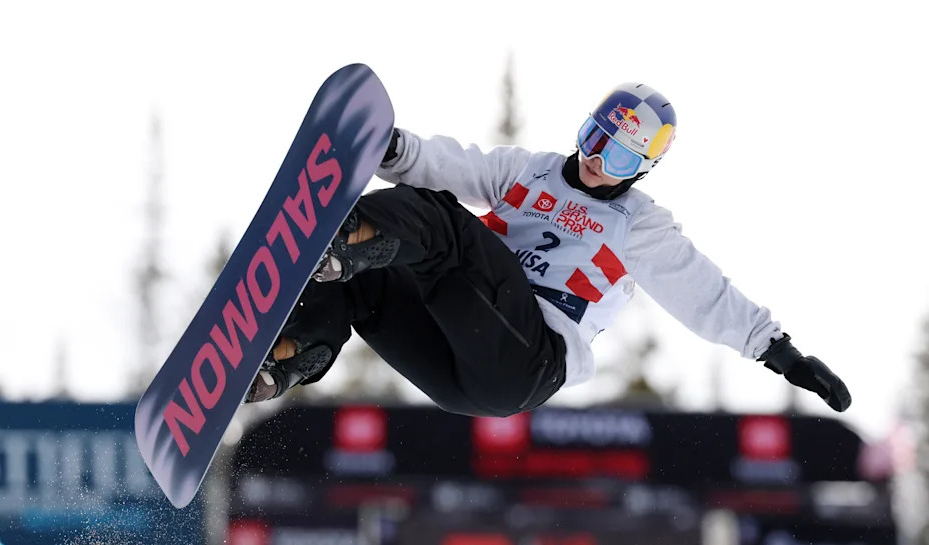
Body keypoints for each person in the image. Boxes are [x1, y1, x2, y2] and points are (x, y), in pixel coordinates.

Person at [244, 82, 851, 416]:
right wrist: (391, 148)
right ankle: (292, 357)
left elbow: (704, 291)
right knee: (367, 280)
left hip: (526, 357)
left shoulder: (638, 225)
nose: (596, 160)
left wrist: (780, 353)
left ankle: (341, 237)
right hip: (456, 356)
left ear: (642, 168)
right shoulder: (526, 171)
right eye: (595, 138)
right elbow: (449, 164)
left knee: (441, 223)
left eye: (618, 157)